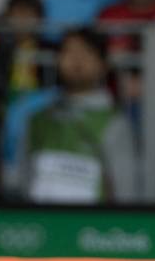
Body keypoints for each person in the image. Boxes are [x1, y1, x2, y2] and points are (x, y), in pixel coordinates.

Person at [16, 28, 139, 204]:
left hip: (92, 229)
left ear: (103, 64)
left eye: (86, 52)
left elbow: (126, 194)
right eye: (69, 51)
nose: (76, 59)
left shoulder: (114, 122)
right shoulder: (37, 120)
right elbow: (25, 183)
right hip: (39, 226)